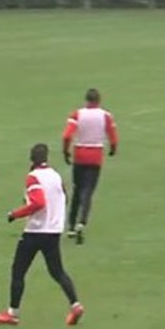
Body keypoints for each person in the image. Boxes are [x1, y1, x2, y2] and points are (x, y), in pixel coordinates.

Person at [0, 143, 84, 326]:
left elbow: (38, 202)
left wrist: (15, 214)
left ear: (31, 160)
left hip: (35, 232)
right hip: (53, 231)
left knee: (18, 271)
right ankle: (75, 304)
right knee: (57, 272)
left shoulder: (33, 178)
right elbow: (62, 197)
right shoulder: (56, 176)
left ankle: (13, 313)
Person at [61, 88, 118, 244]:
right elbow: (112, 136)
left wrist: (65, 151)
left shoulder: (77, 114)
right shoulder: (105, 116)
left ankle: (71, 226)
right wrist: (113, 149)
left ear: (86, 100)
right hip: (95, 157)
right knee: (88, 191)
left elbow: (67, 135)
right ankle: (82, 222)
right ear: (99, 100)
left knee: (77, 189)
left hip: (79, 155)